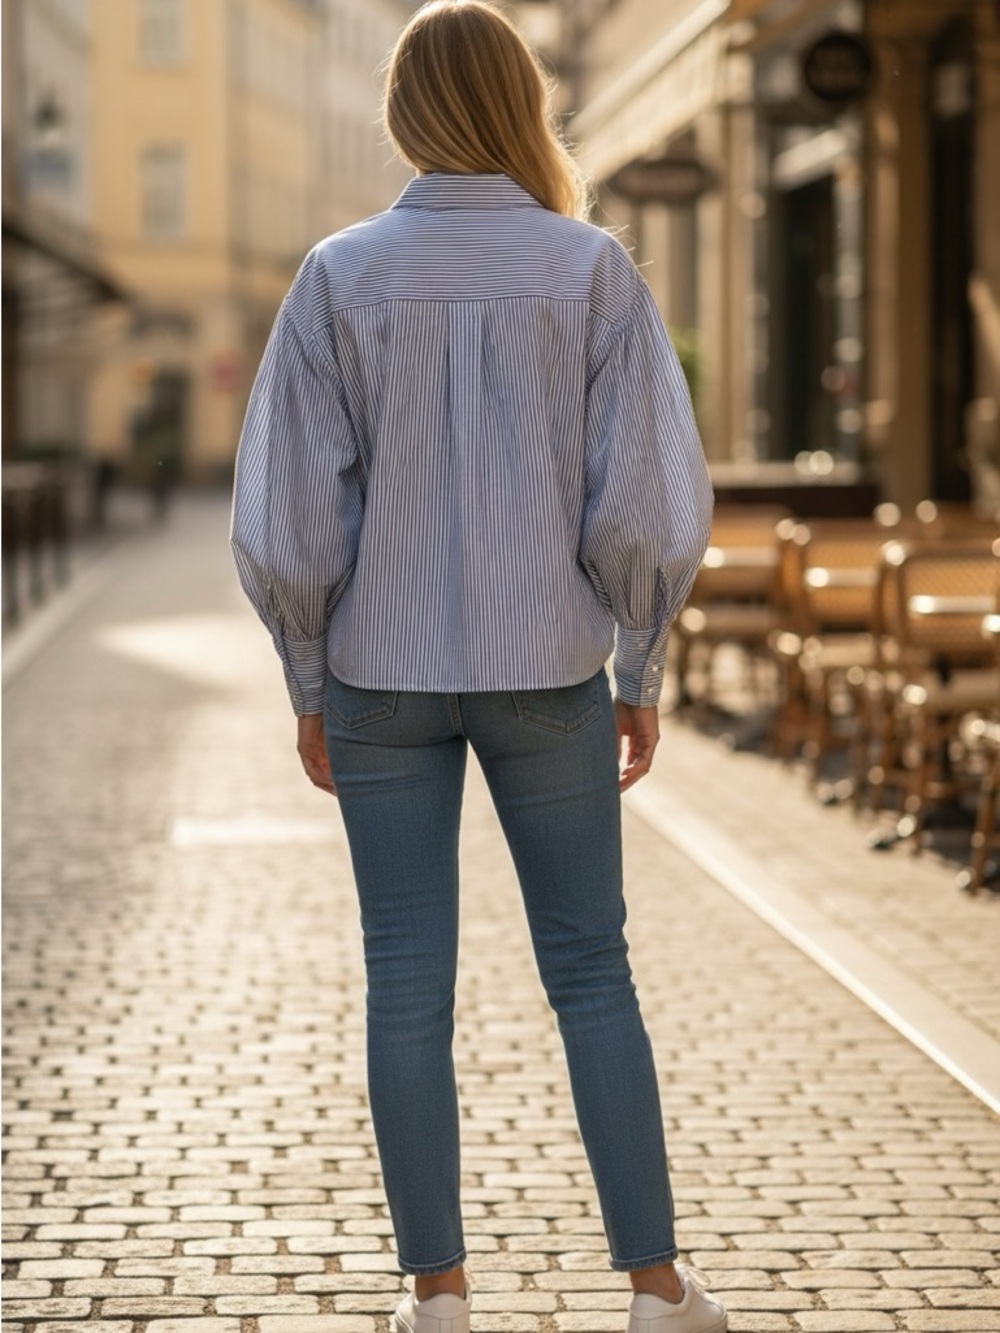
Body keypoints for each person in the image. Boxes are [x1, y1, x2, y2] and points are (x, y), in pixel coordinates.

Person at [231, 3, 723, 1332]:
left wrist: (307, 674)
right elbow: (652, 507)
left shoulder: (336, 274)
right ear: (520, 103)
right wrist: (641, 661)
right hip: (548, 666)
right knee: (591, 968)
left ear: (403, 116)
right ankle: (658, 1288)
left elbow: (286, 511)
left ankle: (437, 1297)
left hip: (382, 673)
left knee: (405, 973)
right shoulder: (592, 269)